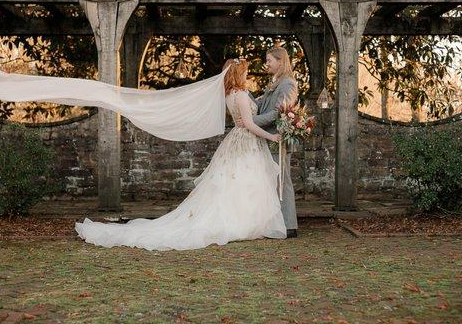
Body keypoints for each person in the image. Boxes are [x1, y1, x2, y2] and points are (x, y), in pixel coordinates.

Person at [74, 58, 287, 250]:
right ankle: (242, 224)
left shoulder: (230, 95)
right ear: (239, 74)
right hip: (246, 141)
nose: (247, 75)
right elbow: (249, 123)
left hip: (237, 140)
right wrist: (271, 137)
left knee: (236, 182)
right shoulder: (240, 95)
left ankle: (245, 222)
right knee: (244, 182)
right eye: (245, 72)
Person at [235, 45, 299, 238]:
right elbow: (262, 105)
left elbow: (277, 113)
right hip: (267, 137)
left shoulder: (288, 84)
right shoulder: (274, 82)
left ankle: (289, 226)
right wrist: (243, 93)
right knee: (270, 182)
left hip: (277, 139)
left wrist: (249, 122)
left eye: (269, 60)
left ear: (280, 61)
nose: (267, 64)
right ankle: (275, 223)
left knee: (282, 181)